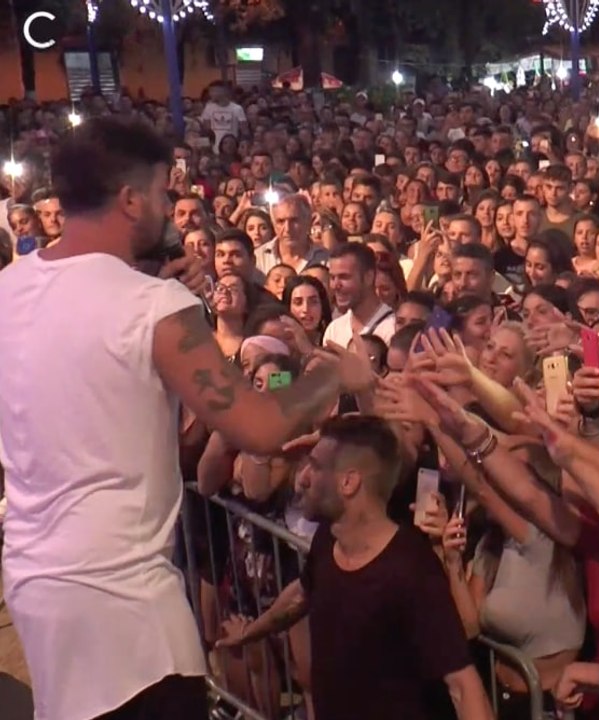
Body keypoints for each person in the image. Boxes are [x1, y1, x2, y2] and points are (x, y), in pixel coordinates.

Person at [0, 117, 373, 720]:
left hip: (35, 578)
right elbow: (258, 427)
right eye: (159, 194)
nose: (167, 212)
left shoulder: (9, 287)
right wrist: (332, 374)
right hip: (126, 605)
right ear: (129, 199)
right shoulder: (154, 306)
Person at [218, 415, 493, 720]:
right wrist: (250, 633)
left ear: (349, 483)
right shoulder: (327, 538)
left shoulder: (411, 570)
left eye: (315, 466)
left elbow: (463, 685)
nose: (302, 478)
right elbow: (301, 595)